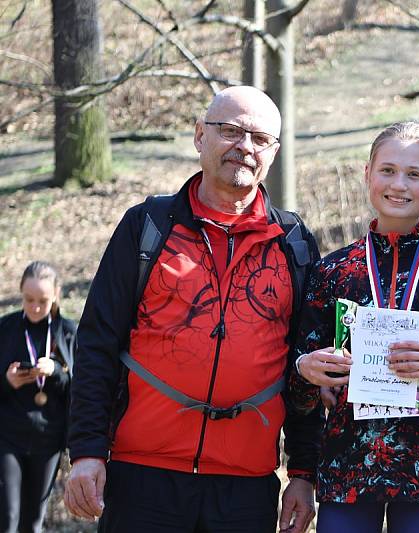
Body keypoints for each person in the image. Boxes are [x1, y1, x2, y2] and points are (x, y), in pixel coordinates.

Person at [63, 86, 322, 533]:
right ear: (200, 135)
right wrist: (87, 451)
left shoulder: (294, 244)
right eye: (230, 131)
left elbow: (306, 370)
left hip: (246, 487)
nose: (244, 147)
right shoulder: (146, 227)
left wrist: (303, 472)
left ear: (274, 153)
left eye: (259, 139)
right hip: (141, 478)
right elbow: (96, 343)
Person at [290, 122, 419, 533]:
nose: (399, 184)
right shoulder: (332, 271)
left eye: (414, 174)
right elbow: (300, 396)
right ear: (367, 174)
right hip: (347, 470)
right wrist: (305, 373)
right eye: (387, 170)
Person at [0, 261, 76, 533]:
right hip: (8, 437)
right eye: (28, 300)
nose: (34, 308)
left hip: (48, 440)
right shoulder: (6, 329)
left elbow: (80, 389)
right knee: (7, 518)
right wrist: (7, 382)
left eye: (42, 301)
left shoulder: (67, 332)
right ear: (20, 293)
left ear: (56, 294)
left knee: (33, 521)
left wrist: (56, 371)